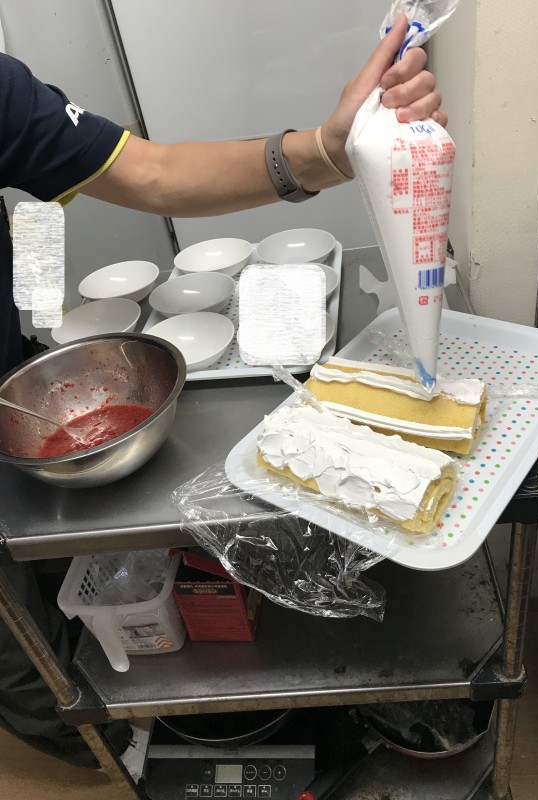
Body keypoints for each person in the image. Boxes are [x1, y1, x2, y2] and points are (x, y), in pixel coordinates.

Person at [0, 15, 446, 769]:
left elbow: (154, 174)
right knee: (18, 652)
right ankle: (108, 751)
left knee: (45, 576)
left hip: (17, 395)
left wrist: (326, 150)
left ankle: (103, 665)